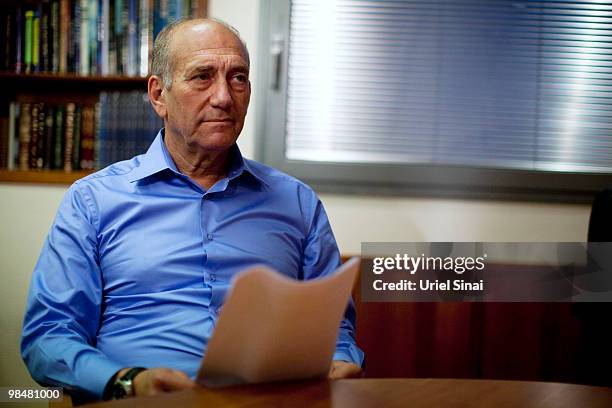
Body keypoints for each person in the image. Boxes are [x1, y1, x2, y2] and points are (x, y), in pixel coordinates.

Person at [21, 18, 364, 402]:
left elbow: (335, 329)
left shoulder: (297, 202)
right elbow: (49, 336)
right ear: (158, 95)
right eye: (202, 76)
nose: (223, 96)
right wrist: (126, 380)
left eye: (238, 78)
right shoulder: (93, 201)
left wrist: (341, 359)